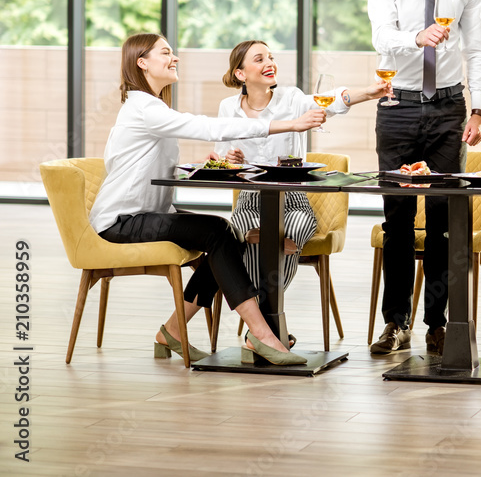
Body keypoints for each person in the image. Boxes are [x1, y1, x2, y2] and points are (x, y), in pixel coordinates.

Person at [88, 33, 324, 366]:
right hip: (123, 221)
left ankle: (172, 331)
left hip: (146, 212)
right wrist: (290, 125)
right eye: (166, 52)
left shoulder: (150, 107)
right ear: (142, 63)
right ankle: (261, 333)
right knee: (218, 234)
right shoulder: (143, 107)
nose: (175, 58)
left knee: (222, 237)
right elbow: (203, 125)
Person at [367, 0, 481, 356]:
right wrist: (415, 38)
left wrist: (479, 111)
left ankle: (438, 324)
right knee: (398, 219)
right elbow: (381, 36)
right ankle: (395, 324)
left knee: (443, 220)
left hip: (449, 109)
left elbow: (476, 50)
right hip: (397, 105)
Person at [215, 40, 389, 304]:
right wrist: (233, 159)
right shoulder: (228, 108)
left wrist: (368, 92)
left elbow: (329, 101)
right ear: (241, 74)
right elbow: (223, 158)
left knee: (290, 232)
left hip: (293, 200)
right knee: (244, 233)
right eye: (259, 59)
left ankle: (261, 318)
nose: (270, 63)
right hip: (249, 200)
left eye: (271, 57)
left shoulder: (292, 99)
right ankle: (268, 321)